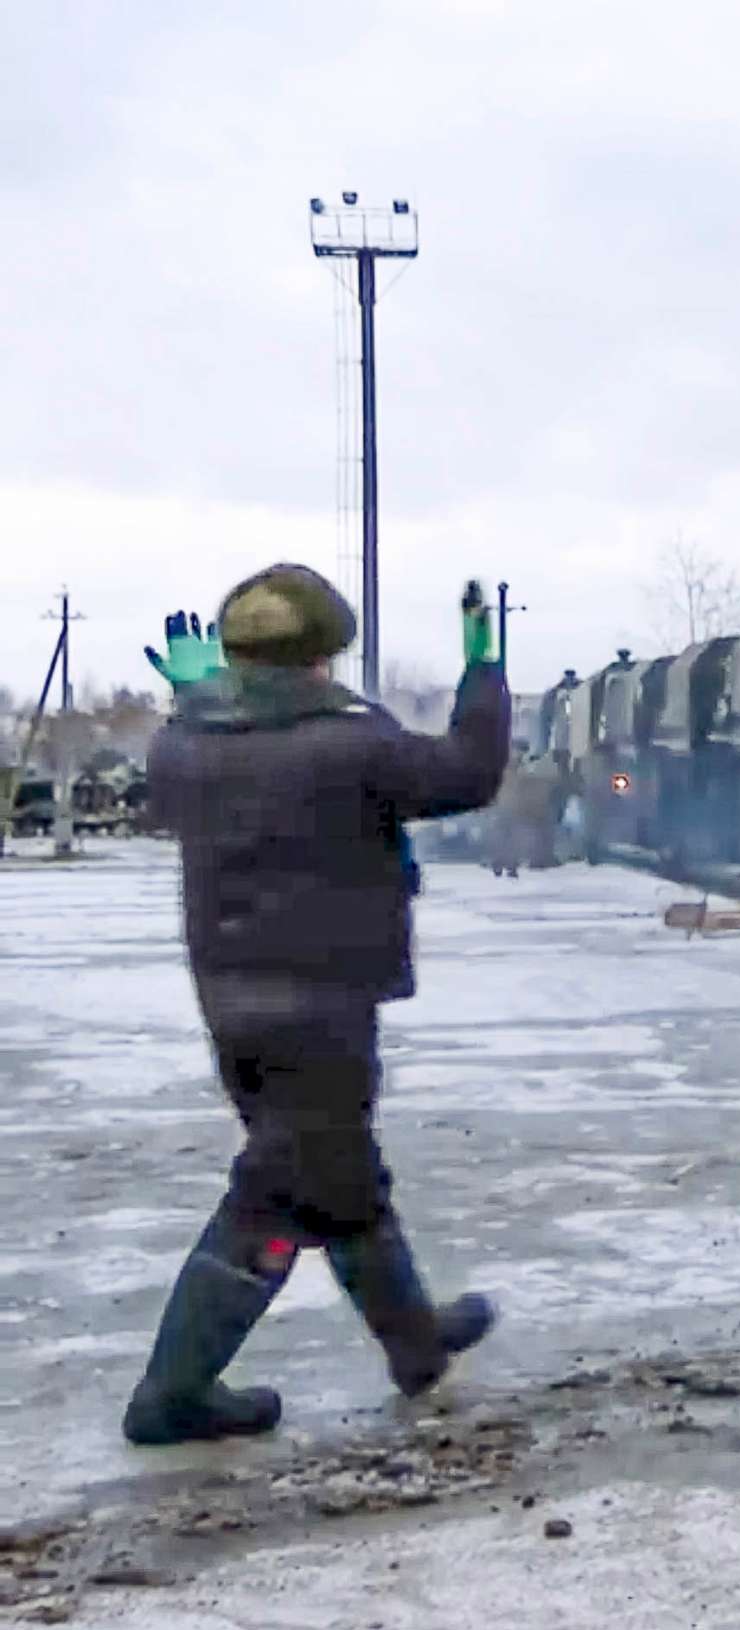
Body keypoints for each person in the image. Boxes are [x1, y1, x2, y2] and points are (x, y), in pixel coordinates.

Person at [124, 566, 510, 1446]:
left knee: (342, 1179)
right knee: (276, 1197)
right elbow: (466, 774)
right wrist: (483, 670)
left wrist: (195, 695)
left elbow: (216, 756)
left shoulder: (182, 744)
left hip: (233, 1004)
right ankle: (172, 1393)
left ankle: (416, 1344)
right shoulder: (351, 744)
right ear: (319, 660)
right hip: (322, 1008)